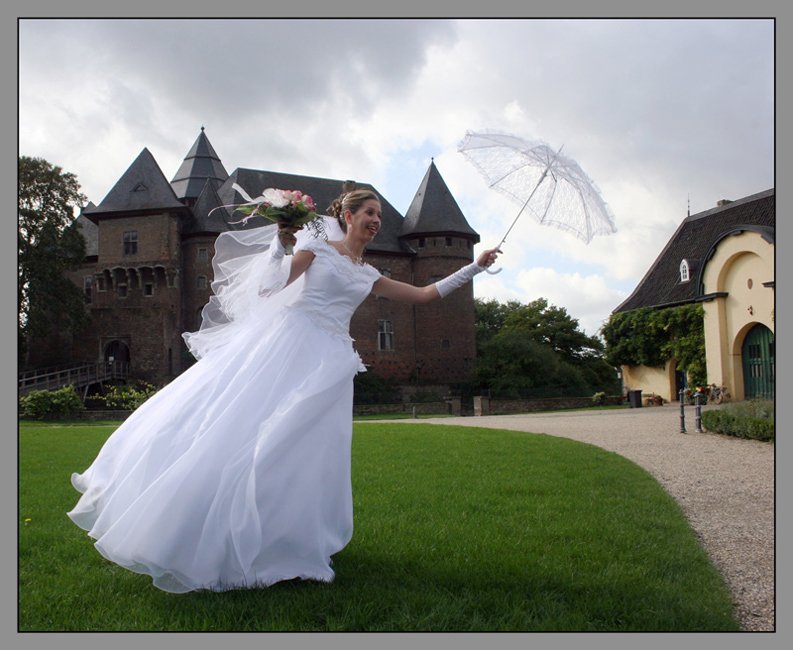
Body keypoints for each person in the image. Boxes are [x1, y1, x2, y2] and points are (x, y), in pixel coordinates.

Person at [68, 187, 500, 593]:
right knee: (252, 434)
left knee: (307, 453)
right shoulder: (318, 251)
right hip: (291, 345)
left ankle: (288, 540)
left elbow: (424, 294)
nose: (376, 220)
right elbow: (269, 287)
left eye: (380, 216)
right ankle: (209, 530)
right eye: (369, 212)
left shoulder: (369, 273)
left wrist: (475, 266)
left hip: (331, 362)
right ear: (348, 216)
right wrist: (280, 242)